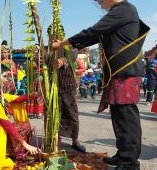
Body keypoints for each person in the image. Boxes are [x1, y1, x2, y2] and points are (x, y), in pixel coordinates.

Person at [51, 0, 150, 169]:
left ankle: (130, 163)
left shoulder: (124, 9)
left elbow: (95, 30)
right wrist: (70, 43)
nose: (101, 6)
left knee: (126, 118)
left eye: (100, 1)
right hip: (118, 72)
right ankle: (123, 155)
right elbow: (97, 35)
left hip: (126, 73)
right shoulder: (121, 11)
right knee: (119, 116)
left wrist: (62, 43)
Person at [48, 25, 87, 153]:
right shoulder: (47, 49)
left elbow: (73, 55)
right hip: (53, 87)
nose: (55, 36)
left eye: (57, 33)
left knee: (72, 114)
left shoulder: (70, 46)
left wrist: (62, 60)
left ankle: (75, 140)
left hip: (68, 86)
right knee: (55, 115)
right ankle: (55, 140)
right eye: (52, 34)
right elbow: (43, 63)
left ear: (62, 35)